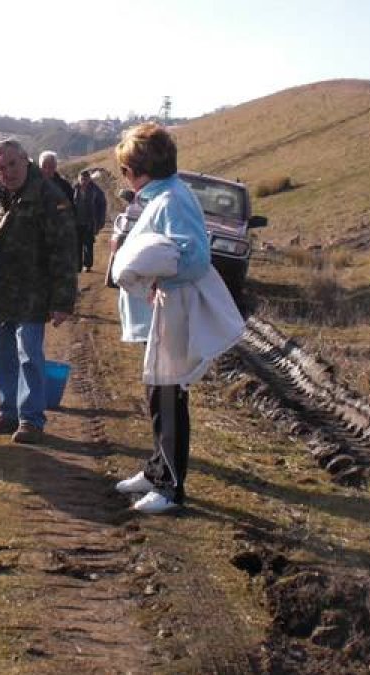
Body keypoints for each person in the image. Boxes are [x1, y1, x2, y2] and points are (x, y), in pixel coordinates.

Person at [110, 123, 244, 514]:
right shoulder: (164, 195)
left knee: (168, 394)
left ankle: (170, 487)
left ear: (137, 169)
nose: (126, 178)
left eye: (125, 170)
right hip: (169, 303)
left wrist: (155, 272)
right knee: (157, 389)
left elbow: (195, 257)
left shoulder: (171, 199)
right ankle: (156, 471)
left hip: (180, 307)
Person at [0, 139, 78, 444]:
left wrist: (62, 300)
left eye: (13, 164)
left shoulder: (49, 196)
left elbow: (64, 252)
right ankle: (8, 414)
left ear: (25, 160)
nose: (8, 172)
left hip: (32, 293)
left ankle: (31, 419)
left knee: (29, 355)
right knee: (0, 355)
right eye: (1, 167)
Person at [72, 169, 107, 272]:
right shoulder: (73, 188)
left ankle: (87, 265)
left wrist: (100, 221)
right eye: (82, 179)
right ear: (79, 179)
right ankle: (77, 266)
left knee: (88, 244)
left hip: (90, 222)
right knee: (76, 244)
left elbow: (102, 205)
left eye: (86, 179)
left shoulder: (96, 190)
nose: (84, 181)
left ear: (89, 179)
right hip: (76, 222)